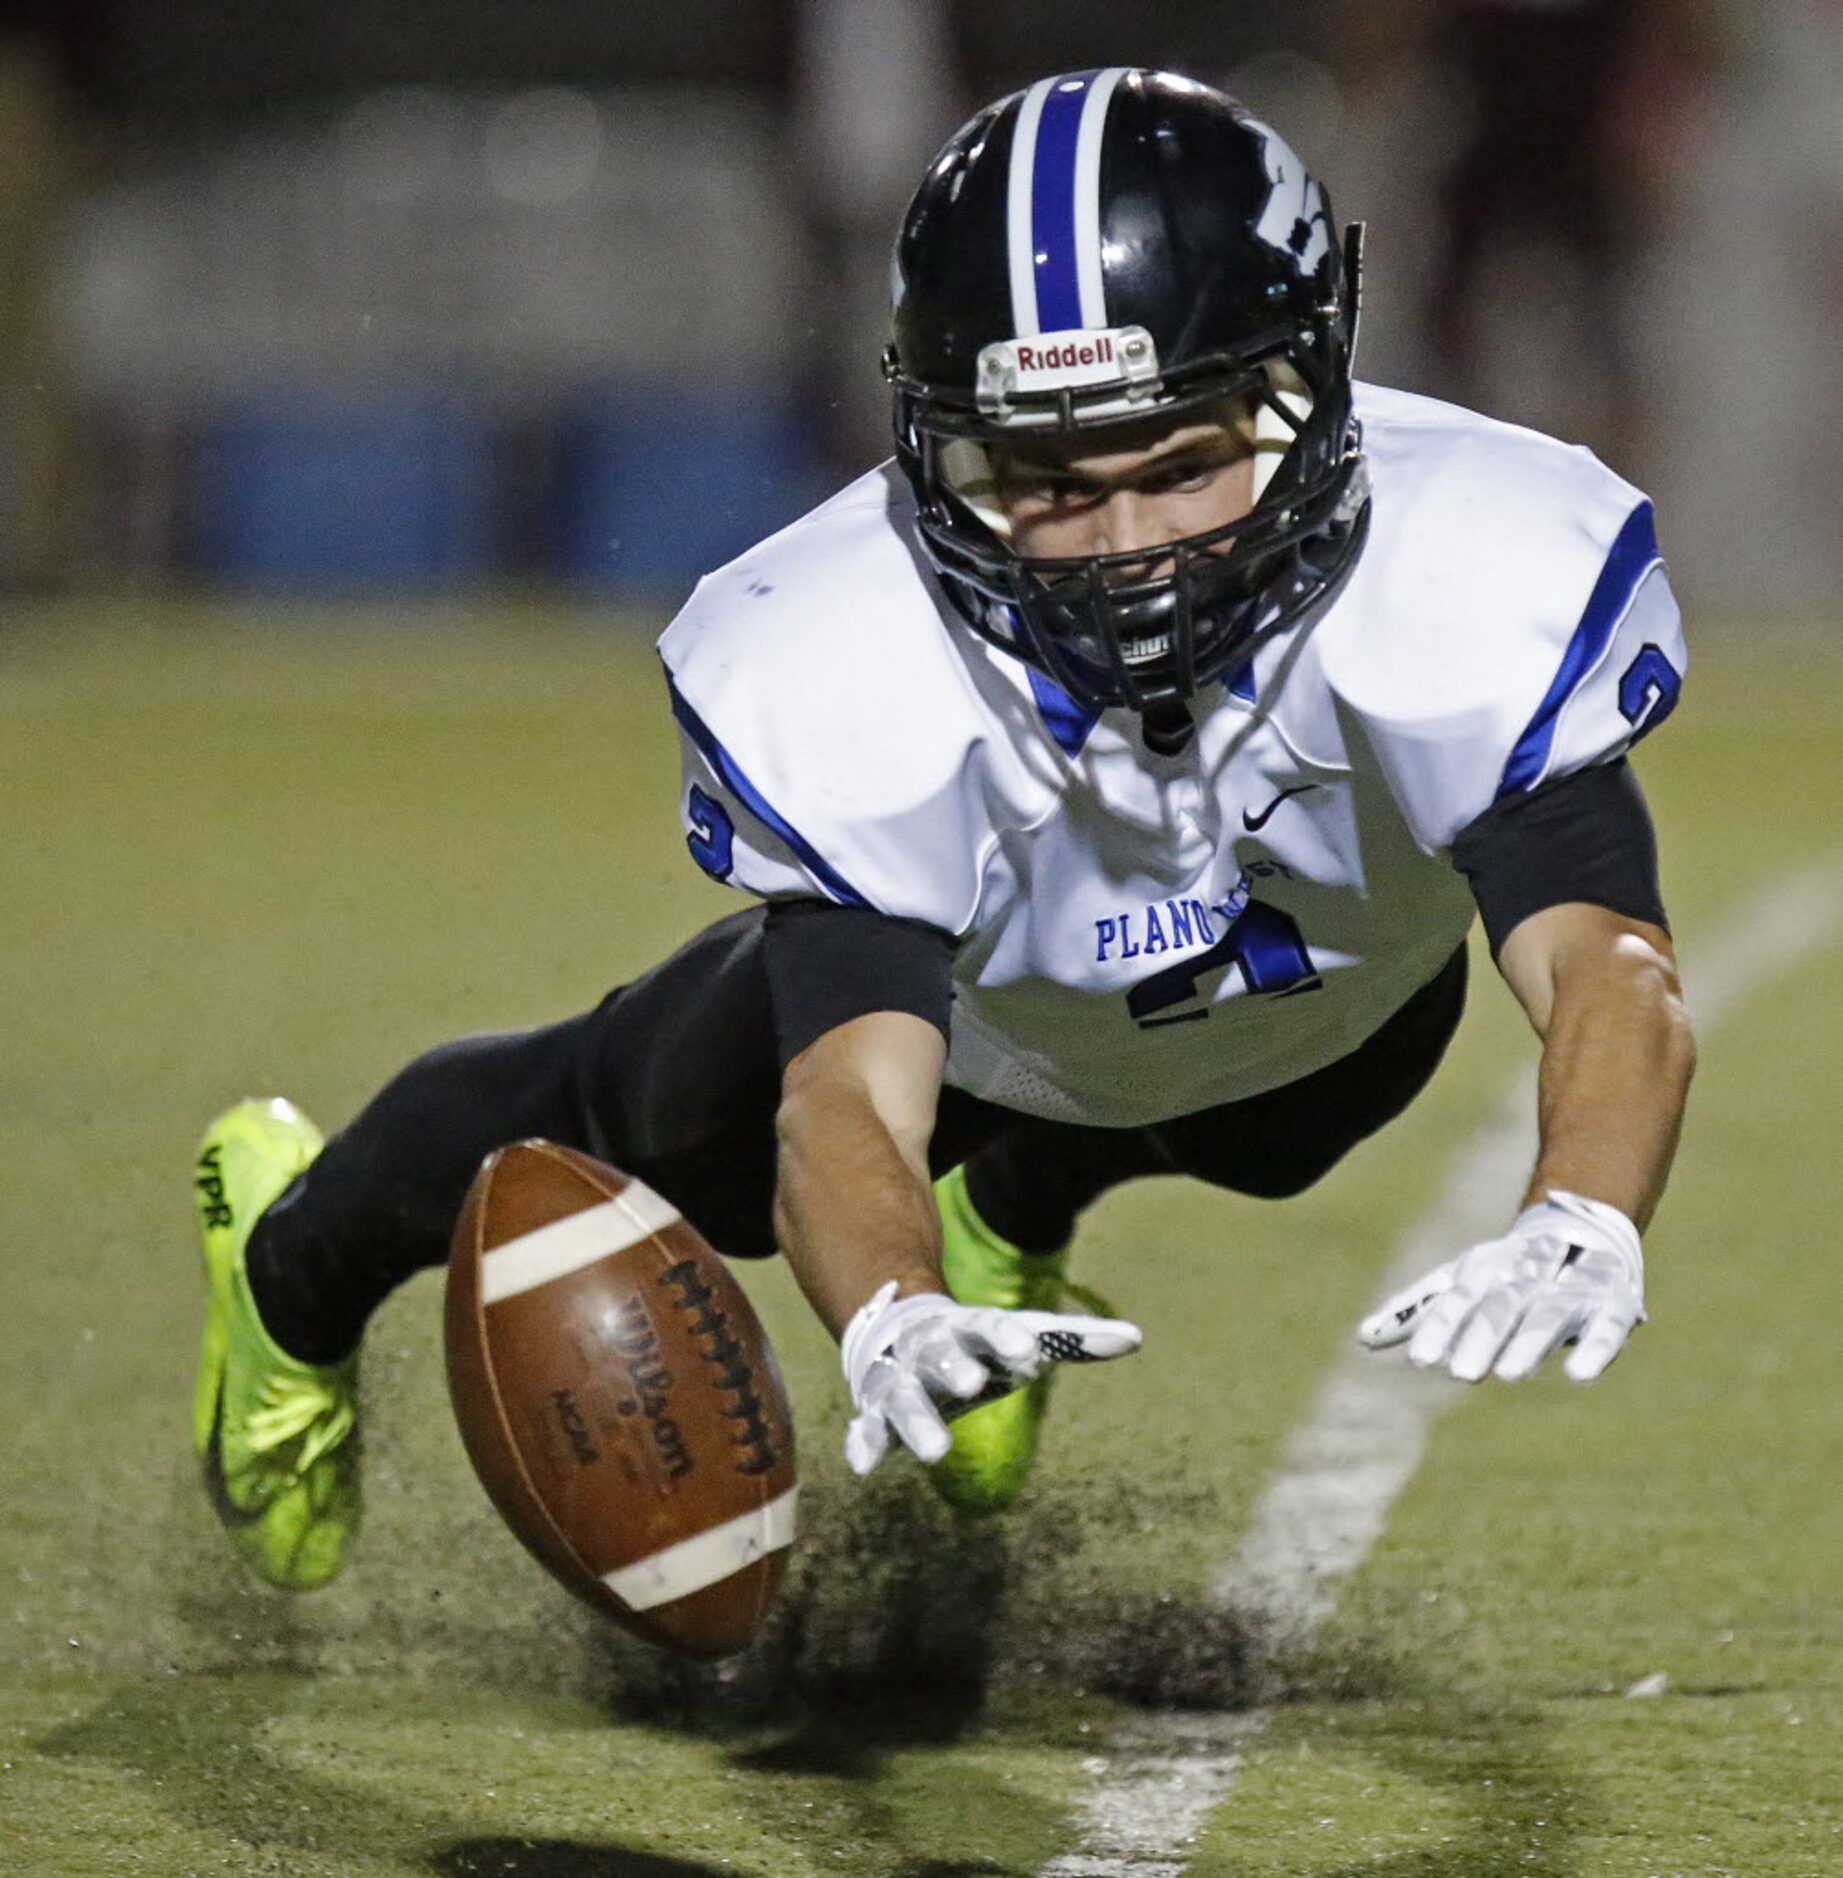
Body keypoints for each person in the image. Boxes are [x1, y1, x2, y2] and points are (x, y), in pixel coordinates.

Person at [192, 67, 1694, 1592]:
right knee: (634, 1117)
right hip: (974, 1009)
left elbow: (1609, 964)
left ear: (1306, 395)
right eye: (1044, 481)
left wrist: (1583, 1207)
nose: (1124, 551)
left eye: (1182, 464)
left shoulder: (1470, 562)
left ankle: (1018, 1197)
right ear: (935, 448)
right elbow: (844, 1100)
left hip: (1321, 1000)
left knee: (1284, 1111)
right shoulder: (859, 653)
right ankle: (285, 1264)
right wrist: (893, 1301)